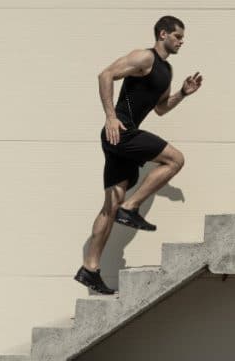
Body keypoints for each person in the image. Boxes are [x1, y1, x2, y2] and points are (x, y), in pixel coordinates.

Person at [74, 15, 203, 294]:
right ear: (162, 34)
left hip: (122, 137)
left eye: (182, 38)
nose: (182, 41)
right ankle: (132, 208)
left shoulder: (166, 71)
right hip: (120, 131)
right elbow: (105, 74)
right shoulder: (145, 58)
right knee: (175, 159)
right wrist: (110, 116)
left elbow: (161, 108)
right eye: (178, 36)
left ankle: (90, 268)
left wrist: (183, 92)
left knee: (111, 205)